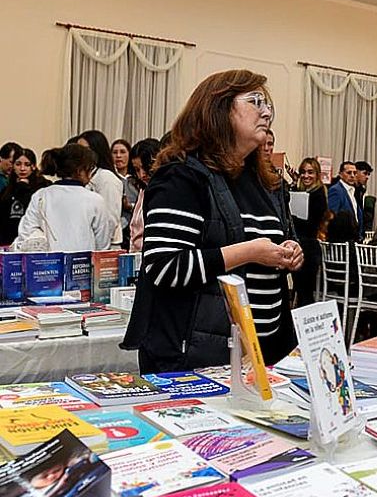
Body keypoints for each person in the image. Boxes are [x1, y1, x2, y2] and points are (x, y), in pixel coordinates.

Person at [122, 69, 303, 373]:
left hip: (264, 354)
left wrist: (291, 251)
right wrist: (250, 252)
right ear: (218, 108)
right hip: (198, 354)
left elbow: (281, 237)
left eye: (268, 104)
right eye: (255, 101)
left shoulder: (262, 179)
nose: (267, 112)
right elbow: (165, 267)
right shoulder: (182, 176)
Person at [14, 144, 115, 251]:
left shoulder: (41, 196)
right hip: (84, 264)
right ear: (80, 170)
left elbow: (26, 232)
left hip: (48, 263)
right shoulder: (95, 200)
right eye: (89, 169)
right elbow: (102, 244)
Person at [291, 157, 328, 306]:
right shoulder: (299, 191)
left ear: (317, 174)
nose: (306, 176)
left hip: (309, 249)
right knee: (300, 291)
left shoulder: (319, 194)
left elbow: (311, 224)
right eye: (303, 172)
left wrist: (292, 217)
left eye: (310, 172)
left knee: (305, 294)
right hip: (299, 246)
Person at [78, 130, 124, 247]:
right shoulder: (85, 177)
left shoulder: (106, 178)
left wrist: (99, 247)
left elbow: (110, 219)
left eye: (84, 150)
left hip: (105, 247)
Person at [0, 149, 51, 246]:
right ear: (13, 166)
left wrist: (24, 189)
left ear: (33, 166)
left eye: (27, 164)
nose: (22, 168)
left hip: (34, 240)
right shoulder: (7, 190)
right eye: (18, 164)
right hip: (8, 241)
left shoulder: (43, 187)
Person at [128, 138, 164, 252]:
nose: (142, 175)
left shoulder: (164, 191)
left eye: (146, 167)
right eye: (137, 169)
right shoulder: (142, 191)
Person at [111, 138, 139, 248]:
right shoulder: (110, 179)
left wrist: (129, 206)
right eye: (115, 152)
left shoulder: (137, 179)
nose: (118, 156)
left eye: (122, 152)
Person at [327, 161, 361, 238]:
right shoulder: (336, 190)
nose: (352, 176)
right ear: (340, 174)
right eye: (349, 173)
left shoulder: (354, 191)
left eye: (355, 173)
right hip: (341, 238)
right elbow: (332, 215)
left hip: (354, 237)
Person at [354, 160, 373, 233]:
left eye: (368, 174)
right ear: (356, 172)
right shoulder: (350, 189)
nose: (367, 177)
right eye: (365, 173)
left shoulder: (362, 190)